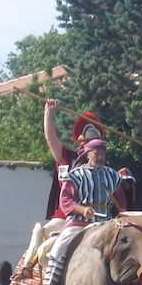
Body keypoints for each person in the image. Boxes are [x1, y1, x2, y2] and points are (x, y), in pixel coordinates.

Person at [39, 138, 123, 285]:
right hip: (79, 223)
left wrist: (124, 214)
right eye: (96, 153)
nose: (100, 157)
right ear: (88, 154)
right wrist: (82, 209)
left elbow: (120, 202)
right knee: (60, 247)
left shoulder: (113, 175)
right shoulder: (75, 176)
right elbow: (66, 201)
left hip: (106, 222)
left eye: (102, 154)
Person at [43, 99, 105, 236]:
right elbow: (51, 138)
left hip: (97, 216)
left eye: (95, 144)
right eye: (88, 142)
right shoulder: (68, 157)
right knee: (42, 233)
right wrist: (48, 112)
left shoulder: (104, 166)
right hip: (66, 215)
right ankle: (28, 259)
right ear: (81, 142)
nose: (91, 147)